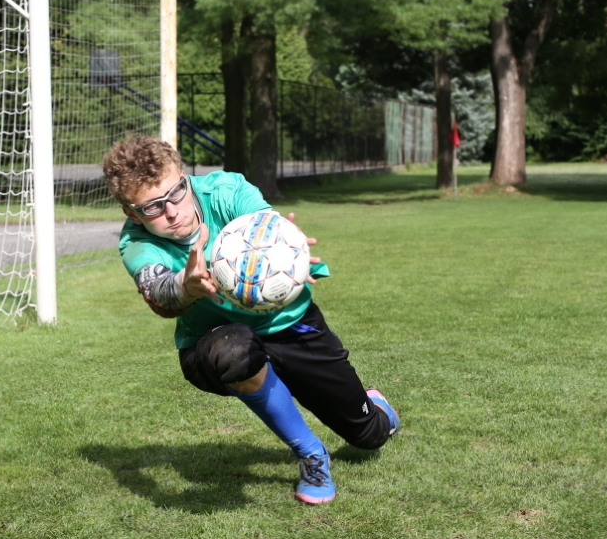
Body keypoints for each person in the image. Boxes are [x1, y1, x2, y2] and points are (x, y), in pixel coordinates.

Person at [102, 136, 400, 504]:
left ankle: (377, 409)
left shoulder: (227, 190)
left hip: (291, 323)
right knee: (234, 351)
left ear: (185, 177)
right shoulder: (137, 244)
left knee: (369, 437)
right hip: (210, 343)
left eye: (176, 193)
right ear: (132, 214)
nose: (172, 212)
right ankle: (311, 454)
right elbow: (159, 293)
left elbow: (264, 223)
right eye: (152, 208)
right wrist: (187, 284)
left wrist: (286, 249)